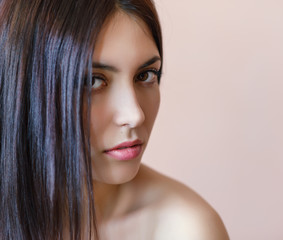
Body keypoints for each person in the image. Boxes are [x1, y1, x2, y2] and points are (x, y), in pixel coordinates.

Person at [0, 0, 229, 239]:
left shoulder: (187, 228)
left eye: (145, 75)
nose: (135, 115)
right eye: (93, 81)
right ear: (26, 87)